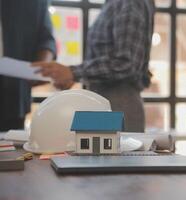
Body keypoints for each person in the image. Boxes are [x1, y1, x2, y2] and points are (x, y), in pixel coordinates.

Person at [33, 0, 155, 132]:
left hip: (119, 104)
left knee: (113, 150)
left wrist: (73, 72)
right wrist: (73, 75)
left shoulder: (129, 3)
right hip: (106, 102)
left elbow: (126, 63)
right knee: (96, 149)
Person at [0, 0, 56, 131]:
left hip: (13, 96)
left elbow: (47, 40)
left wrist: (41, 67)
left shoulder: (36, 2)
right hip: (15, 93)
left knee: (11, 148)